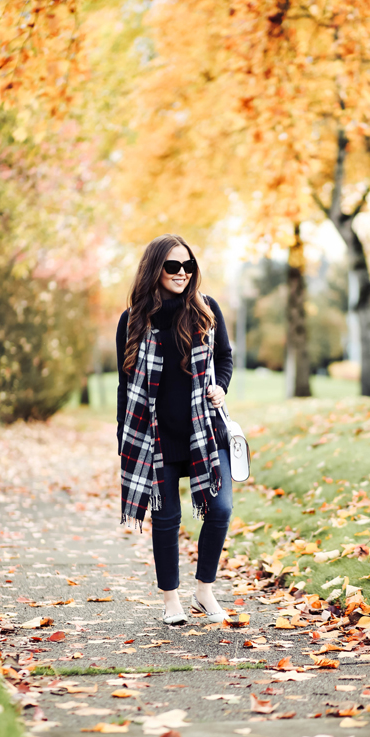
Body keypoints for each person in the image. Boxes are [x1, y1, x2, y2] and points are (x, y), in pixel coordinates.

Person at [116, 234, 234, 626]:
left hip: (205, 430)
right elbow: (124, 383)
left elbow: (225, 358)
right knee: (166, 518)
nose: (182, 273)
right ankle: (171, 600)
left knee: (220, 509)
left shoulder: (206, 310)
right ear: (155, 269)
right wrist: (124, 439)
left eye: (188, 266)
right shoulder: (132, 320)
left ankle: (203, 591)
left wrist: (221, 386)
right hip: (155, 437)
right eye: (172, 266)